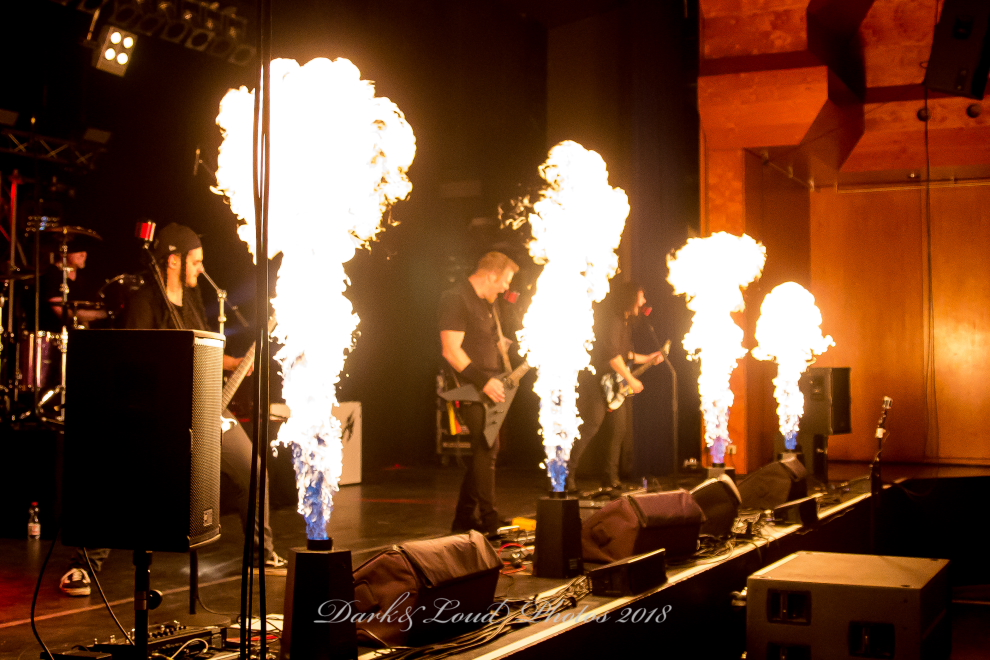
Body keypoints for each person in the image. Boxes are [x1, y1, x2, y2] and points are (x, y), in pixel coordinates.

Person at [58, 223, 284, 597]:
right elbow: (136, 363)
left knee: (253, 471)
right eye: (196, 261)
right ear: (173, 260)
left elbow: (203, 353)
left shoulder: (192, 302)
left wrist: (233, 364)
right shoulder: (145, 302)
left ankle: (261, 556)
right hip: (161, 414)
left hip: (206, 407)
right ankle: (83, 565)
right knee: (126, 476)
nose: (201, 269)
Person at [440, 251, 519, 536]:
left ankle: (463, 518)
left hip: (489, 385)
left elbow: (483, 341)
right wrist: (484, 381)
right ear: (491, 275)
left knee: (483, 451)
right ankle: (489, 519)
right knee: (487, 447)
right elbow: (451, 350)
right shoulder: (456, 298)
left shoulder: (488, 303)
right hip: (468, 387)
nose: (506, 287)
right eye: (505, 280)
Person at [566, 280, 663, 493]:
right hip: (595, 381)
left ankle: (610, 478)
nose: (644, 301)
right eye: (641, 296)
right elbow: (612, 356)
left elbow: (626, 354)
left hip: (613, 384)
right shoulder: (612, 320)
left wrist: (649, 358)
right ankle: (565, 476)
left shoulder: (626, 322)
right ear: (629, 297)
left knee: (619, 430)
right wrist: (631, 379)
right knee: (591, 426)